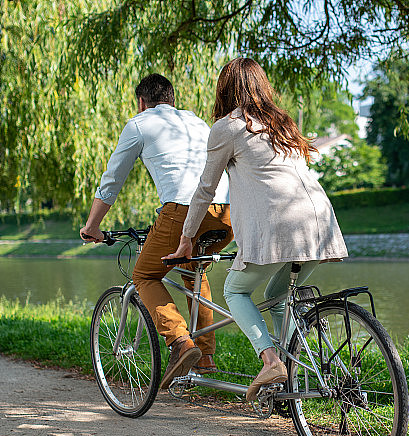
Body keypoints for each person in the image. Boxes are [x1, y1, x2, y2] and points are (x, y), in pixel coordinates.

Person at [163, 57, 348, 402]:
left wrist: (187, 236)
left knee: (235, 291)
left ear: (225, 89)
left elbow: (205, 189)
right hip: (320, 224)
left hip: (278, 226)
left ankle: (271, 359)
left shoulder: (228, 127)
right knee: (278, 297)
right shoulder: (283, 124)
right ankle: (295, 378)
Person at [80, 74, 234, 389]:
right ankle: (204, 356)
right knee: (193, 272)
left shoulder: (139, 124)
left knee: (145, 276)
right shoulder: (195, 122)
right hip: (227, 212)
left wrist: (92, 227)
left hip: (183, 211)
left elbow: (112, 180)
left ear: (141, 102)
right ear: (172, 98)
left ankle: (180, 342)